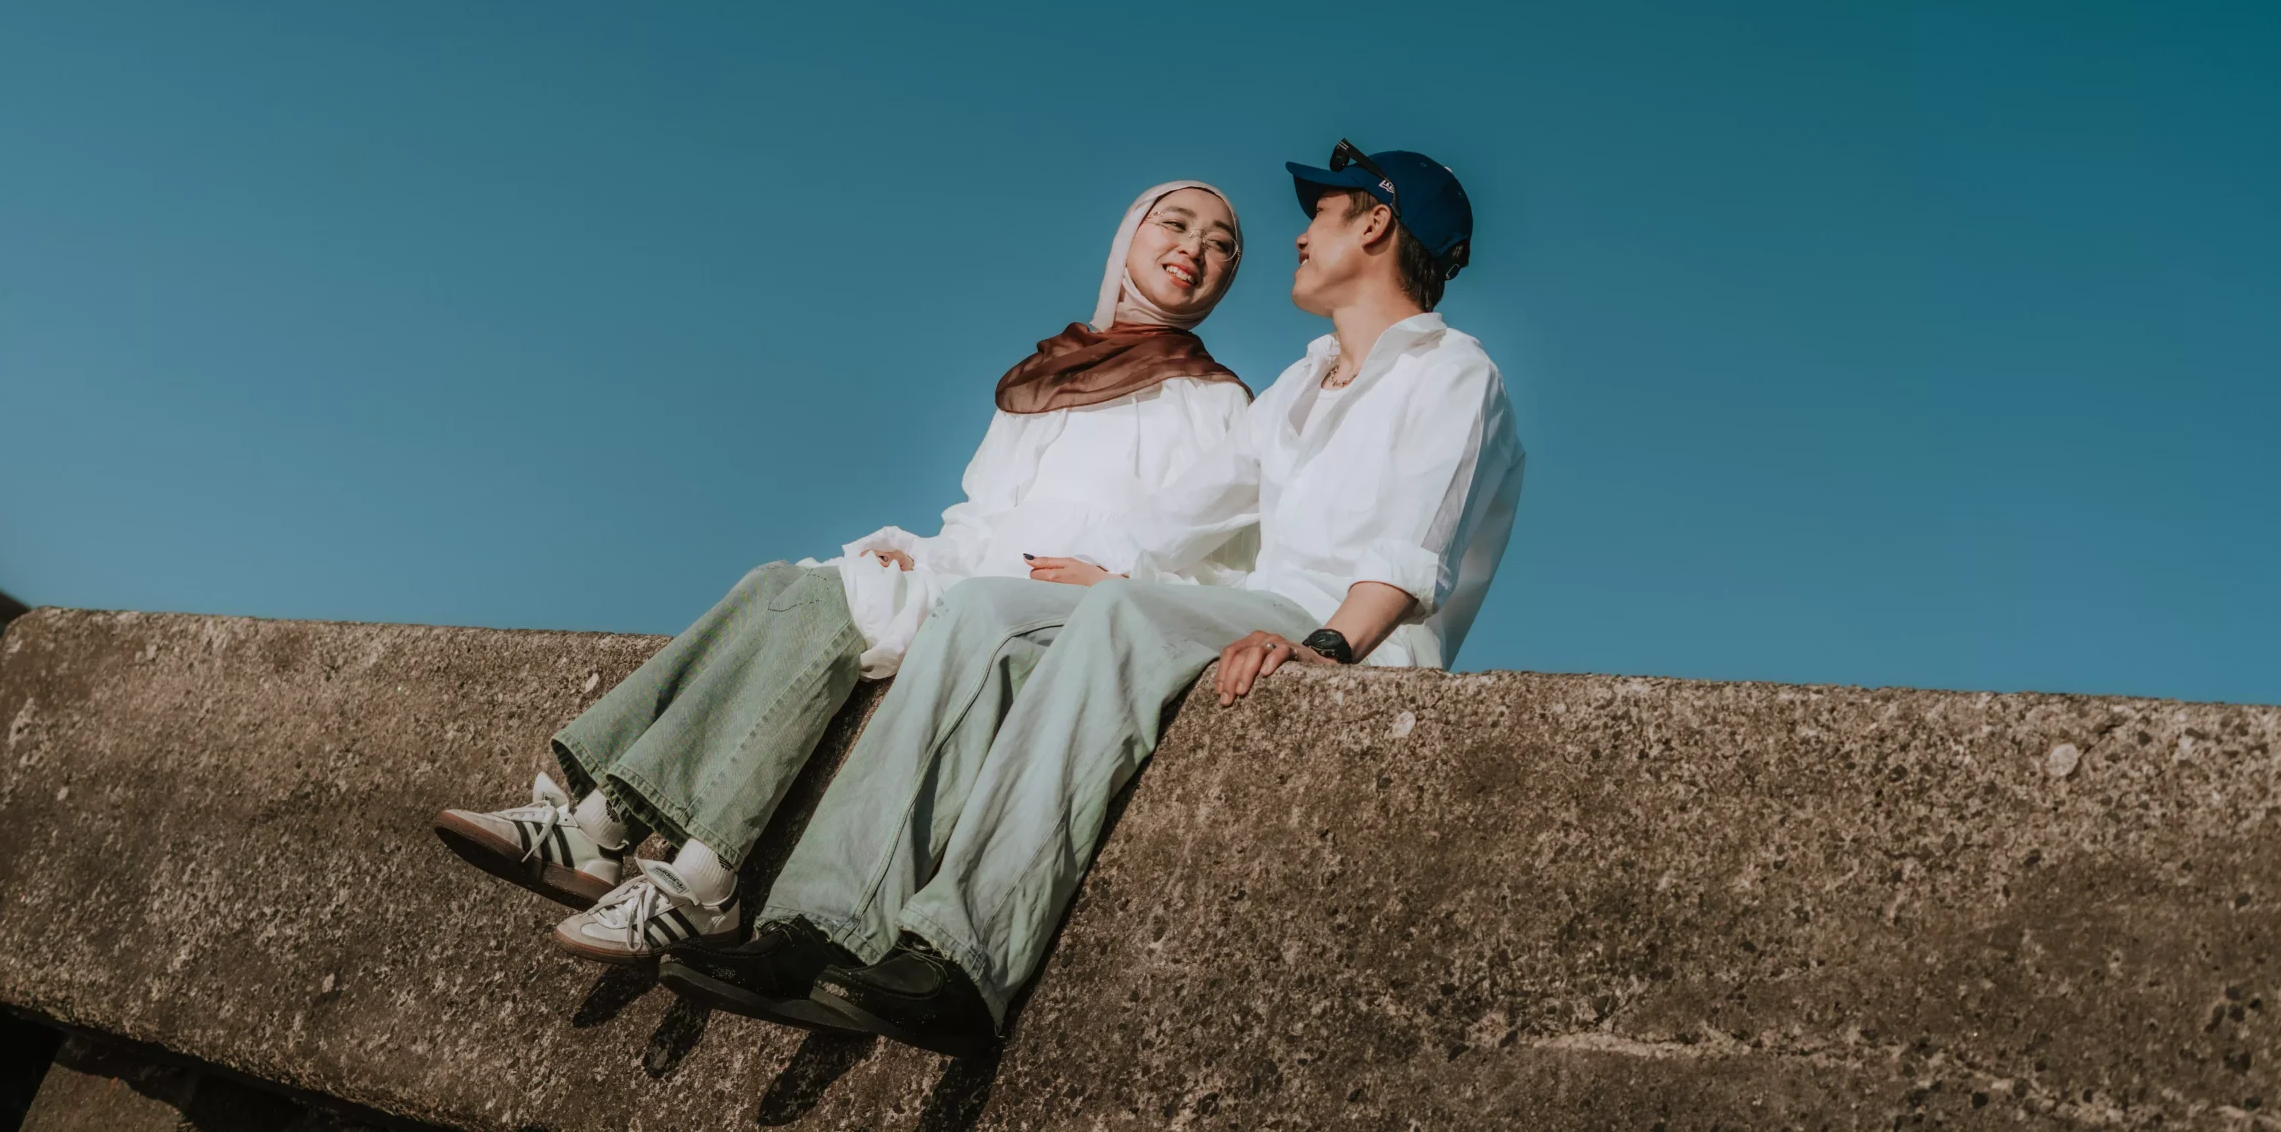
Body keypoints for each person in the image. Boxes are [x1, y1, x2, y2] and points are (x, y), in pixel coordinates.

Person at [663, 140, 1521, 1055]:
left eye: (1320, 215)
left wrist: (1329, 648)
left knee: (1122, 614)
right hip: (1253, 608)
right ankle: (820, 923)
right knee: (986, 610)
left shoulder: (1452, 371)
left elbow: (1407, 554)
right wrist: (990, 562)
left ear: (1376, 223)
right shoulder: (1300, 383)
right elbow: (1175, 516)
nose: (1301, 237)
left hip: (1346, 630)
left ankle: (964, 959)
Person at [432, 182, 1254, 963]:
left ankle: (685, 869)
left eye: (1222, 245)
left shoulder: (1220, 404)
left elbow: (1226, 567)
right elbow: (982, 519)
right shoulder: (1047, 376)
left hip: (1051, 610)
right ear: (1128, 237)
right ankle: (600, 822)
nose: (1196, 248)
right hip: (976, 573)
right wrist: (921, 553)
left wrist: (1113, 583)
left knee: (837, 605)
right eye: (1175, 223)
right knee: (779, 584)